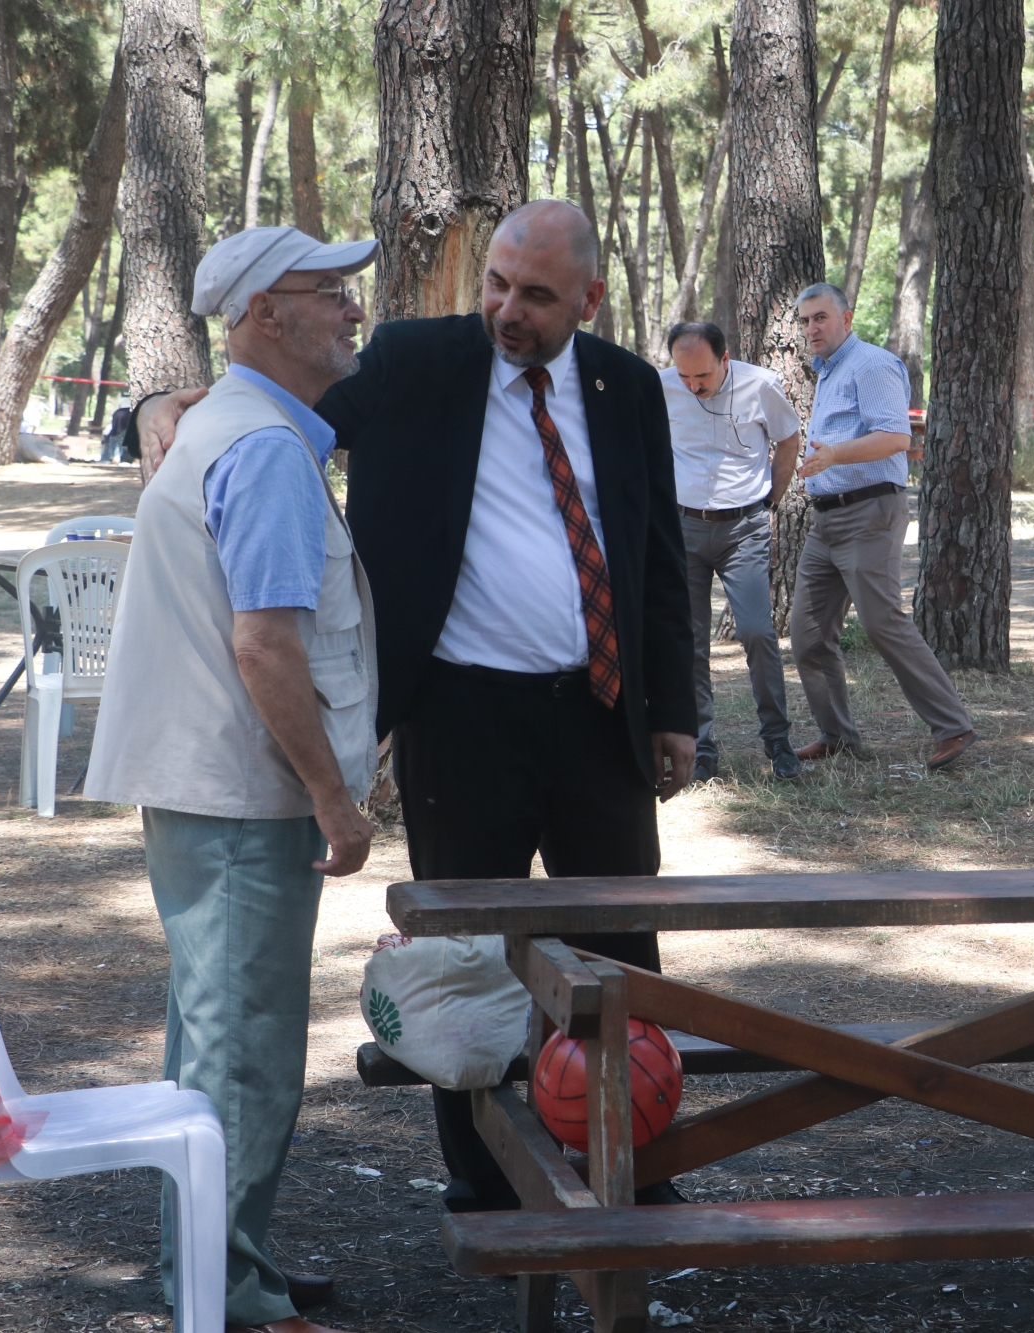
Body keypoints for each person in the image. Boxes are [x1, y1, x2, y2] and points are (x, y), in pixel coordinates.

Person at [128, 201, 698, 1217]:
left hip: (599, 711)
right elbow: (270, 400)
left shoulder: (627, 386)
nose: (507, 310)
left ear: (589, 299)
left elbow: (655, 551)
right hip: (460, 715)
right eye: (496, 284)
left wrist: (673, 710)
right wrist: (155, 404)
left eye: (535, 295)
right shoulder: (410, 361)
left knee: (618, 950)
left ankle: (632, 1173)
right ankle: (486, 1182)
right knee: (462, 957)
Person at [87, 225, 384, 1333]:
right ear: (266, 313)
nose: (353, 309)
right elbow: (263, 645)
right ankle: (226, 1289)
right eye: (330, 291)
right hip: (241, 794)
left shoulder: (231, 426)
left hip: (210, 789)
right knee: (244, 1050)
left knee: (213, 1036)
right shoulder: (260, 448)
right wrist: (333, 797)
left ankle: (216, 1263)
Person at [787, 282, 976, 771]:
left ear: (846, 318)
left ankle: (953, 727)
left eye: (821, 317)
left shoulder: (870, 364)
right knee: (807, 634)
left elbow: (895, 438)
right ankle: (837, 736)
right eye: (805, 321)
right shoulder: (828, 371)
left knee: (881, 622)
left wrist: (833, 455)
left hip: (869, 512)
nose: (812, 328)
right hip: (826, 521)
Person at [661, 320, 803, 782]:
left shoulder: (761, 386)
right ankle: (701, 747)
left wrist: (770, 503)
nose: (693, 386)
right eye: (684, 375)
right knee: (690, 641)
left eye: (702, 375)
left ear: (725, 359)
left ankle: (778, 741)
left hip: (744, 528)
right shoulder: (661, 388)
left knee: (758, 632)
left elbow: (788, 439)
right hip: (683, 527)